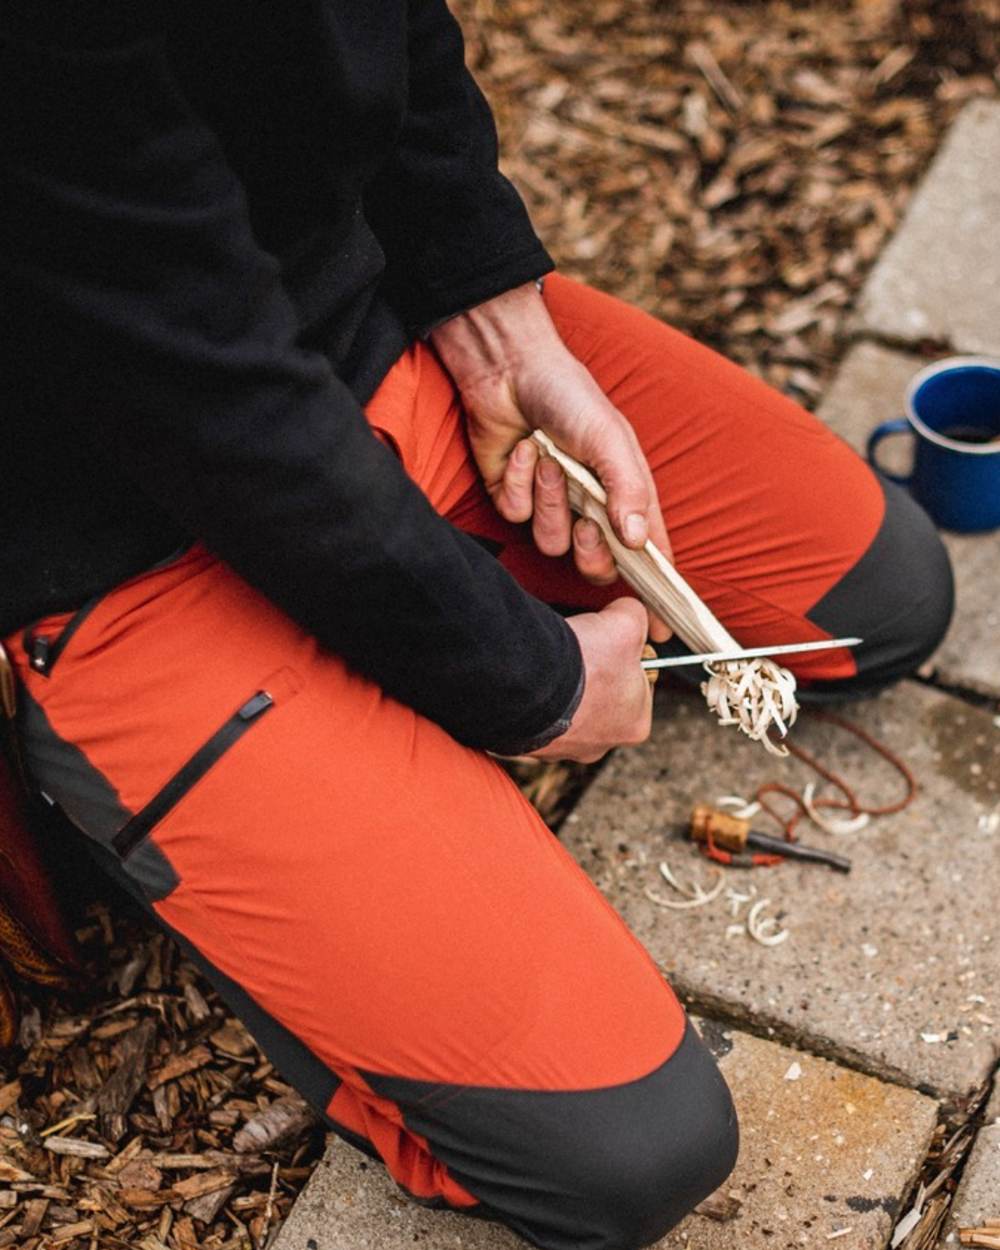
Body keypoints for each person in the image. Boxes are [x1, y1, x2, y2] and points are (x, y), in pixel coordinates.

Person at [0, 4, 953, 1249]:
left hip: (366, 334)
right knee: (632, 1154)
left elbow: (396, 35)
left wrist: (490, 311)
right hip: (119, 539)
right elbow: (200, 395)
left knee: (872, 600)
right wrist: (531, 682)